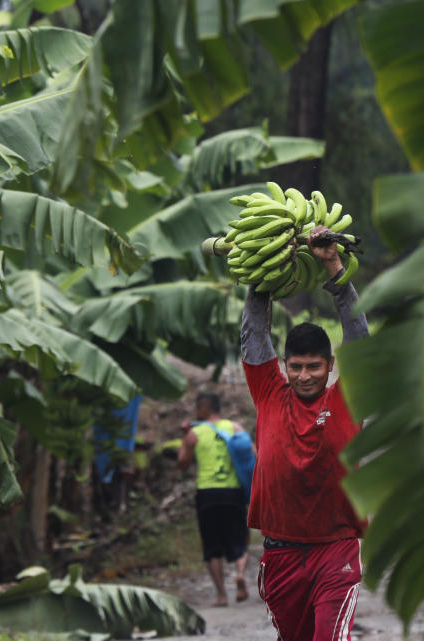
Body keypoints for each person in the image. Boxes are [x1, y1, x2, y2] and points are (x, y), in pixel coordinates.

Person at [241, 225, 369, 641]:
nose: (304, 375)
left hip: (336, 548)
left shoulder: (346, 399)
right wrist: (265, 268)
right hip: (280, 554)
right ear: (285, 365)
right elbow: (254, 336)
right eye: (295, 366)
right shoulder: (269, 395)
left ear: (330, 366)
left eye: (314, 366)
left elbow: (358, 337)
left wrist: (333, 266)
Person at [178, 392, 250, 606]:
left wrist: (185, 437)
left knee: (211, 545)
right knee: (239, 538)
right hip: (233, 491)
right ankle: (240, 574)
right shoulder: (235, 428)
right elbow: (252, 454)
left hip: (207, 493)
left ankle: (221, 595)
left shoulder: (194, 433)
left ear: (203, 409)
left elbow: (182, 463)